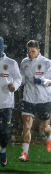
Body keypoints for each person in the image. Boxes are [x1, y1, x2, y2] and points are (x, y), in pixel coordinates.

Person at [18, 40, 51, 162]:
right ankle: (25, 153)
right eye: (28, 51)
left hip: (44, 99)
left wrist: (42, 81)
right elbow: (22, 79)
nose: (30, 53)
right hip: (28, 98)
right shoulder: (24, 62)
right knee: (26, 125)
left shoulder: (47, 63)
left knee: (44, 128)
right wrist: (16, 83)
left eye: (33, 51)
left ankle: (48, 137)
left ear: (38, 51)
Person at [0, 37, 22, 166]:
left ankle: (3, 151)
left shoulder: (11, 63)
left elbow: (18, 78)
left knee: (4, 132)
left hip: (6, 103)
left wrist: (14, 85)